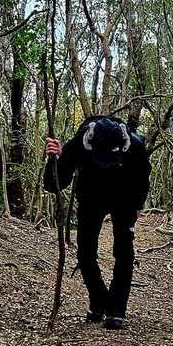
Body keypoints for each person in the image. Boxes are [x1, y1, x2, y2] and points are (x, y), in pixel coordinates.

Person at [43, 115, 150, 329]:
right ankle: (99, 299)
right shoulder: (79, 143)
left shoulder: (135, 145)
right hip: (91, 196)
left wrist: (138, 205)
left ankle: (116, 310)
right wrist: (55, 159)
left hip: (124, 196)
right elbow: (53, 185)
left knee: (124, 251)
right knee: (84, 252)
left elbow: (142, 176)